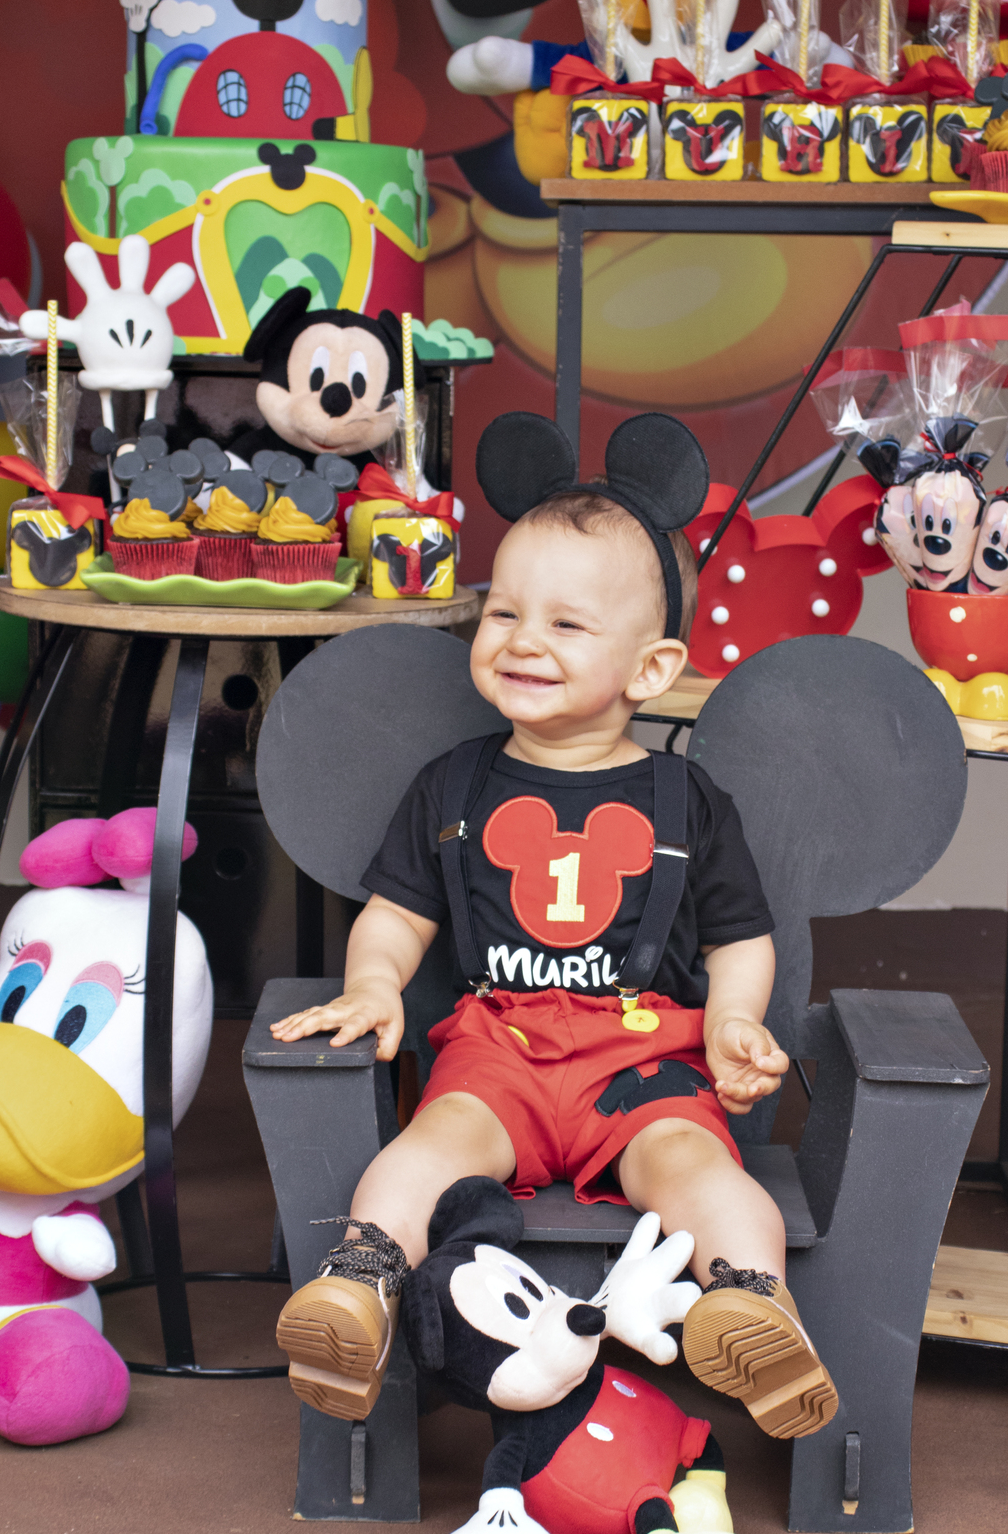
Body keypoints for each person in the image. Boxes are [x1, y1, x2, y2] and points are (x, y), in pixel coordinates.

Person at [269, 410, 837, 1444]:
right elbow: (397, 914)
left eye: (567, 626)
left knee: (700, 1171)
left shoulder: (687, 802)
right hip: (500, 1050)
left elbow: (737, 937)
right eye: (503, 613)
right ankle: (361, 1282)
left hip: (645, 1059)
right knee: (428, 1149)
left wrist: (733, 1021)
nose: (522, 640)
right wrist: (375, 984)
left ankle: (754, 1303)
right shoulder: (453, 785)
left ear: (650, 671)